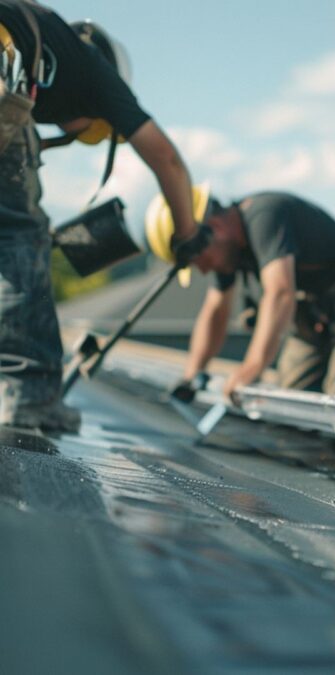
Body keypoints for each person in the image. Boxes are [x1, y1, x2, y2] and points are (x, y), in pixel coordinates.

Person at [0, 1, 200, 432]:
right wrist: (187, 232)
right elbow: (167, 159)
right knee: (19, 234)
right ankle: (27, 394)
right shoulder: (98, 77)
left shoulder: (53, 57)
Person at [145, 184, 335, 402]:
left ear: (214, 228)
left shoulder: (265, 216)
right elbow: (216, 309)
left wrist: (252, 366)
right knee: (291, 397)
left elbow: (281, 292)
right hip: (312, 320)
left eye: (200, 260)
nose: (205, 269)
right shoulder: (228, 250)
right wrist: (191, 375)